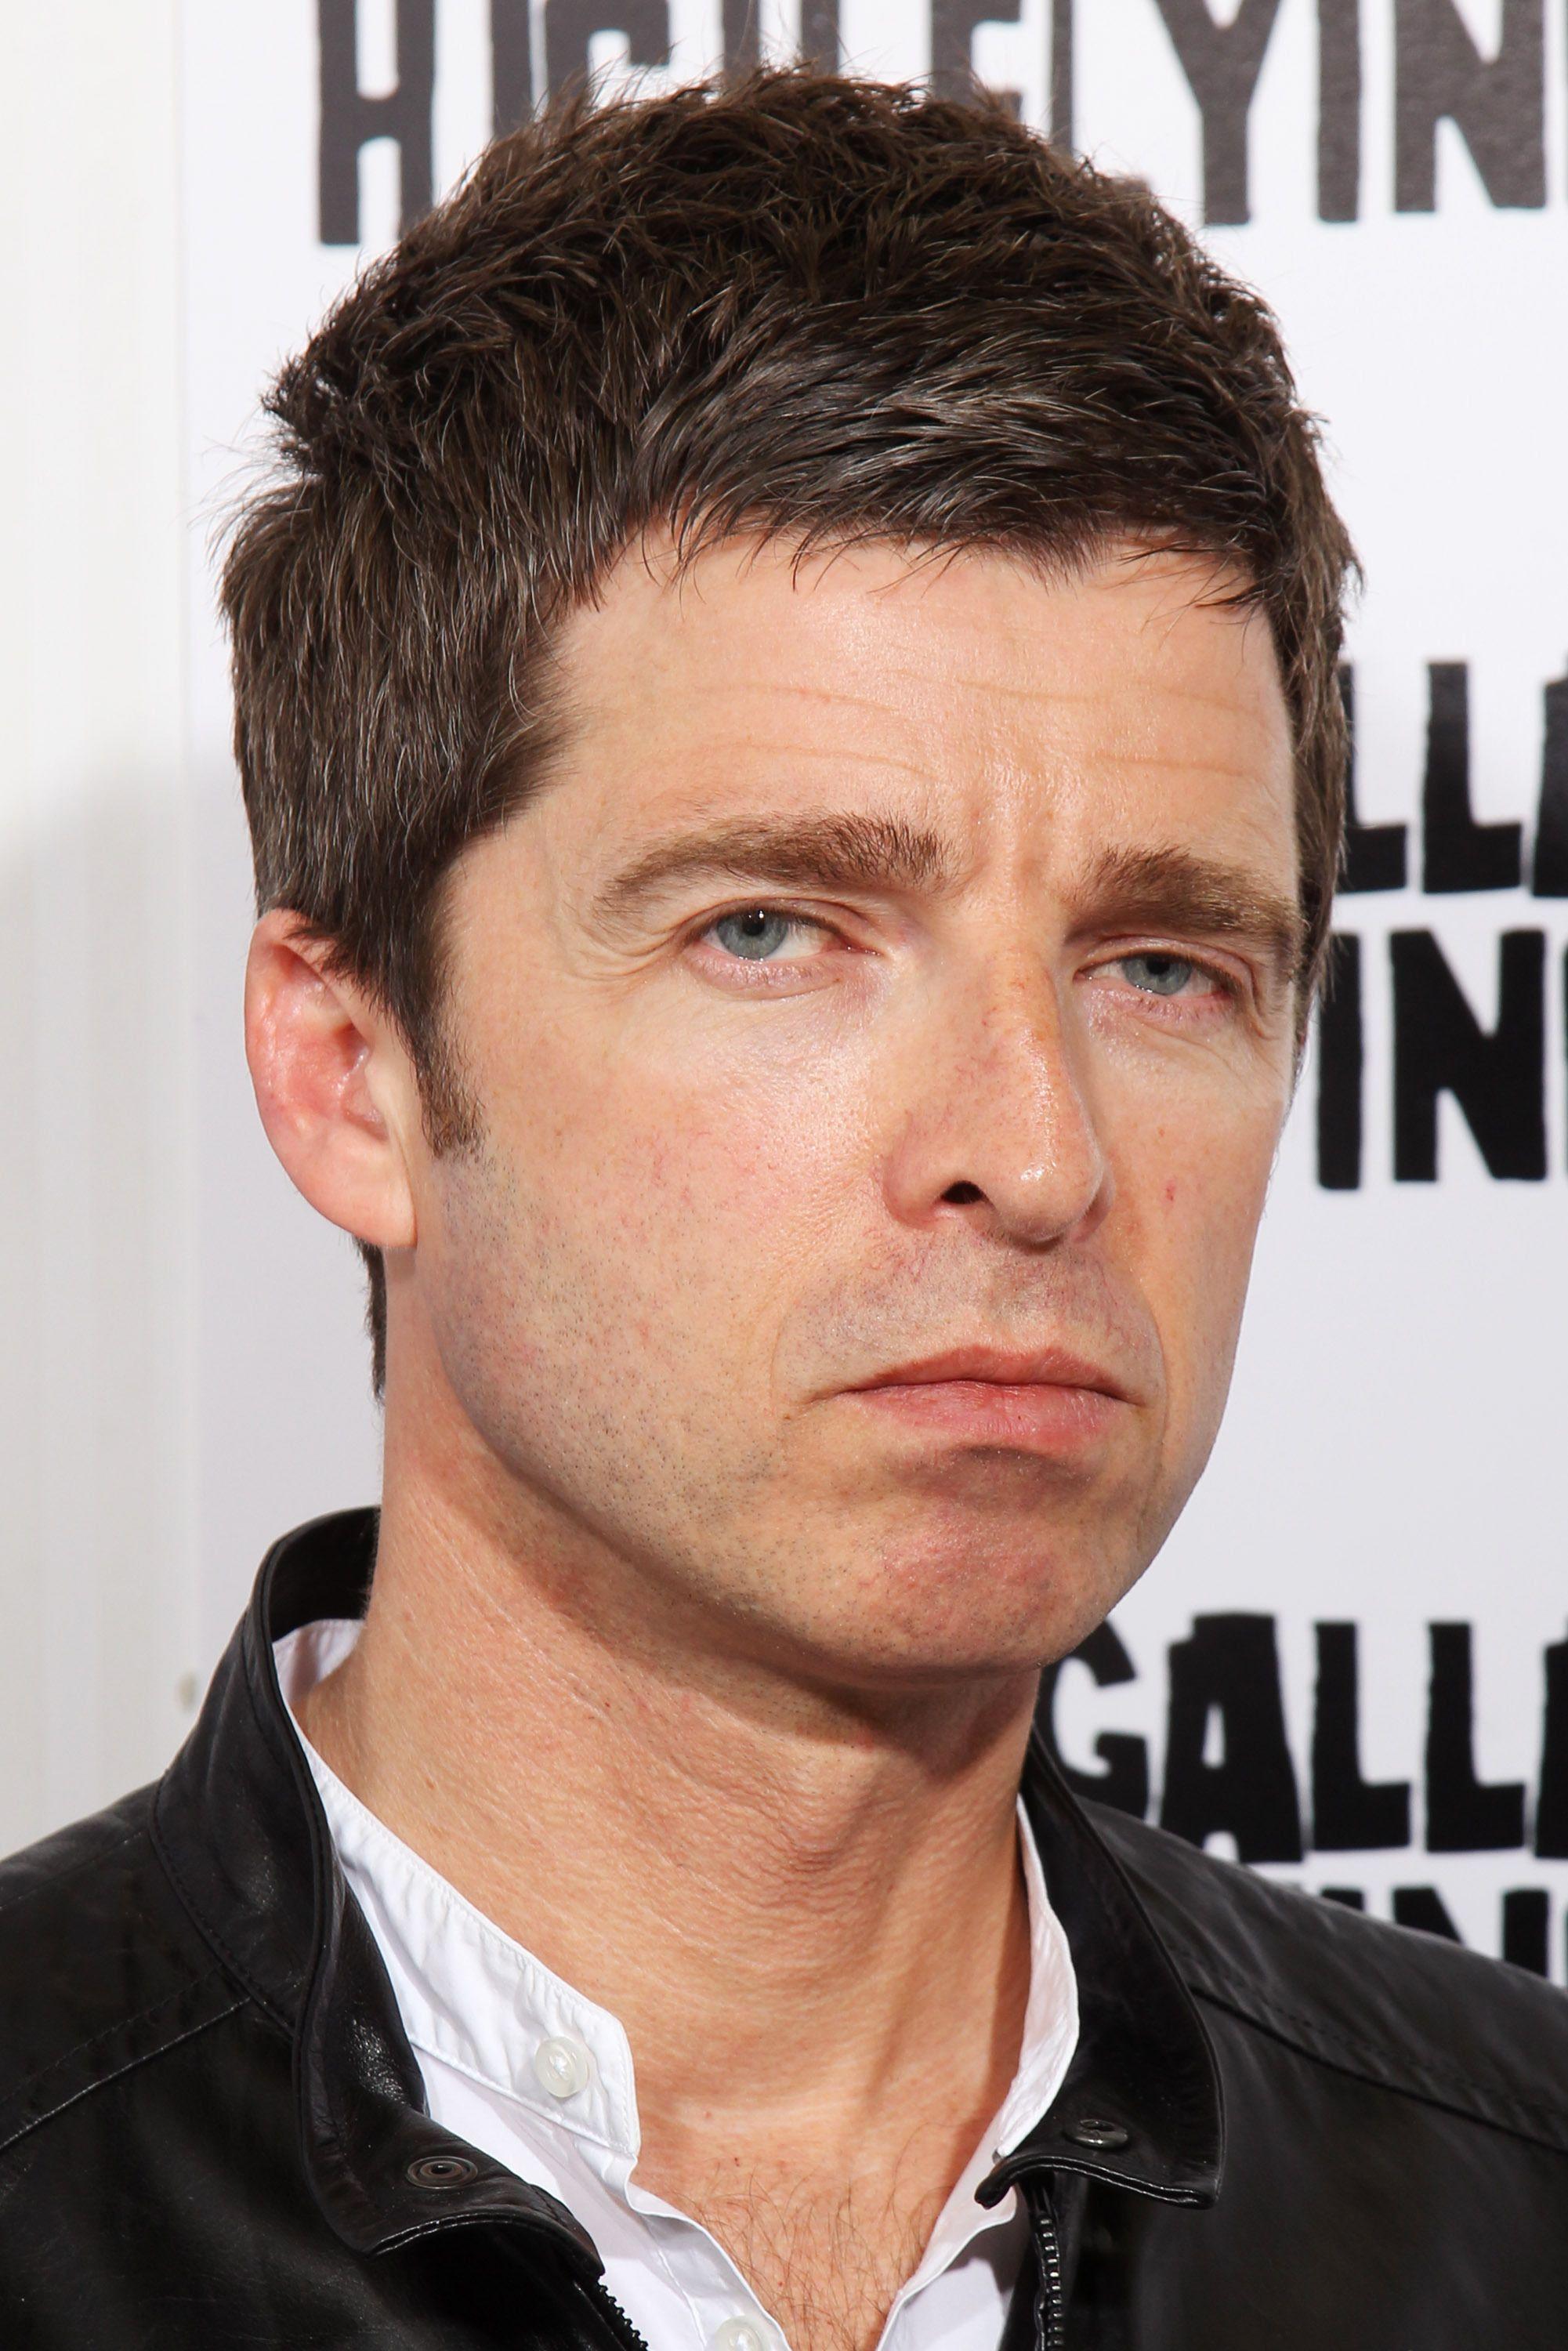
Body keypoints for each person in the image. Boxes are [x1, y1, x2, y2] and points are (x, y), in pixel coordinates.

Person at [2, 67, 1564, 2351]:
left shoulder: (1518, 2207)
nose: (1038, 1152)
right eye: (773, 931)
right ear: (350, 1074)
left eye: (1160, 966)